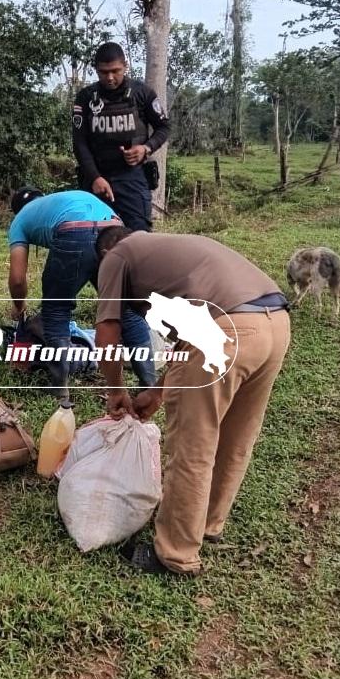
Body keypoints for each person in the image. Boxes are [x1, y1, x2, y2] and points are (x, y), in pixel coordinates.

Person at [92, 228, 292, 576]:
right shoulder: (168, 248)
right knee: (236, 437)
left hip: (222, 331)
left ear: (104, 252)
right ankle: (206, 523)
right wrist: (157, 392)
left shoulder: (116, 255)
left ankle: (175, 554)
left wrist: (115, 391)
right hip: (274, 326)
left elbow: (107, 334)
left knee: (190, 446)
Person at [7, 187, 156, 400]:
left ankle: (60, 392)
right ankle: (149, 384)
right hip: (115, 229)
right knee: (126, 309)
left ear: (16, 209)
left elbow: (18, 279)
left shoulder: (20, 219)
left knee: (56, 309)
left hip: (73, 231)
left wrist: (19, 306)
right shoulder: (61, 199)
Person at [72, 42, 170, 232]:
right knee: (94, 238)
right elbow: (79, 142)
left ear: (125, 66)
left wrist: (146, 148)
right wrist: (94, 177)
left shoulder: (142, 94)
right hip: (96, 178)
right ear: (96, 70)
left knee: (138, 238)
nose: (109, 77)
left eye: (115, 71)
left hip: (132, 178)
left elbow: (163, 127)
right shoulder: (85, 98)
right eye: (103, 72)